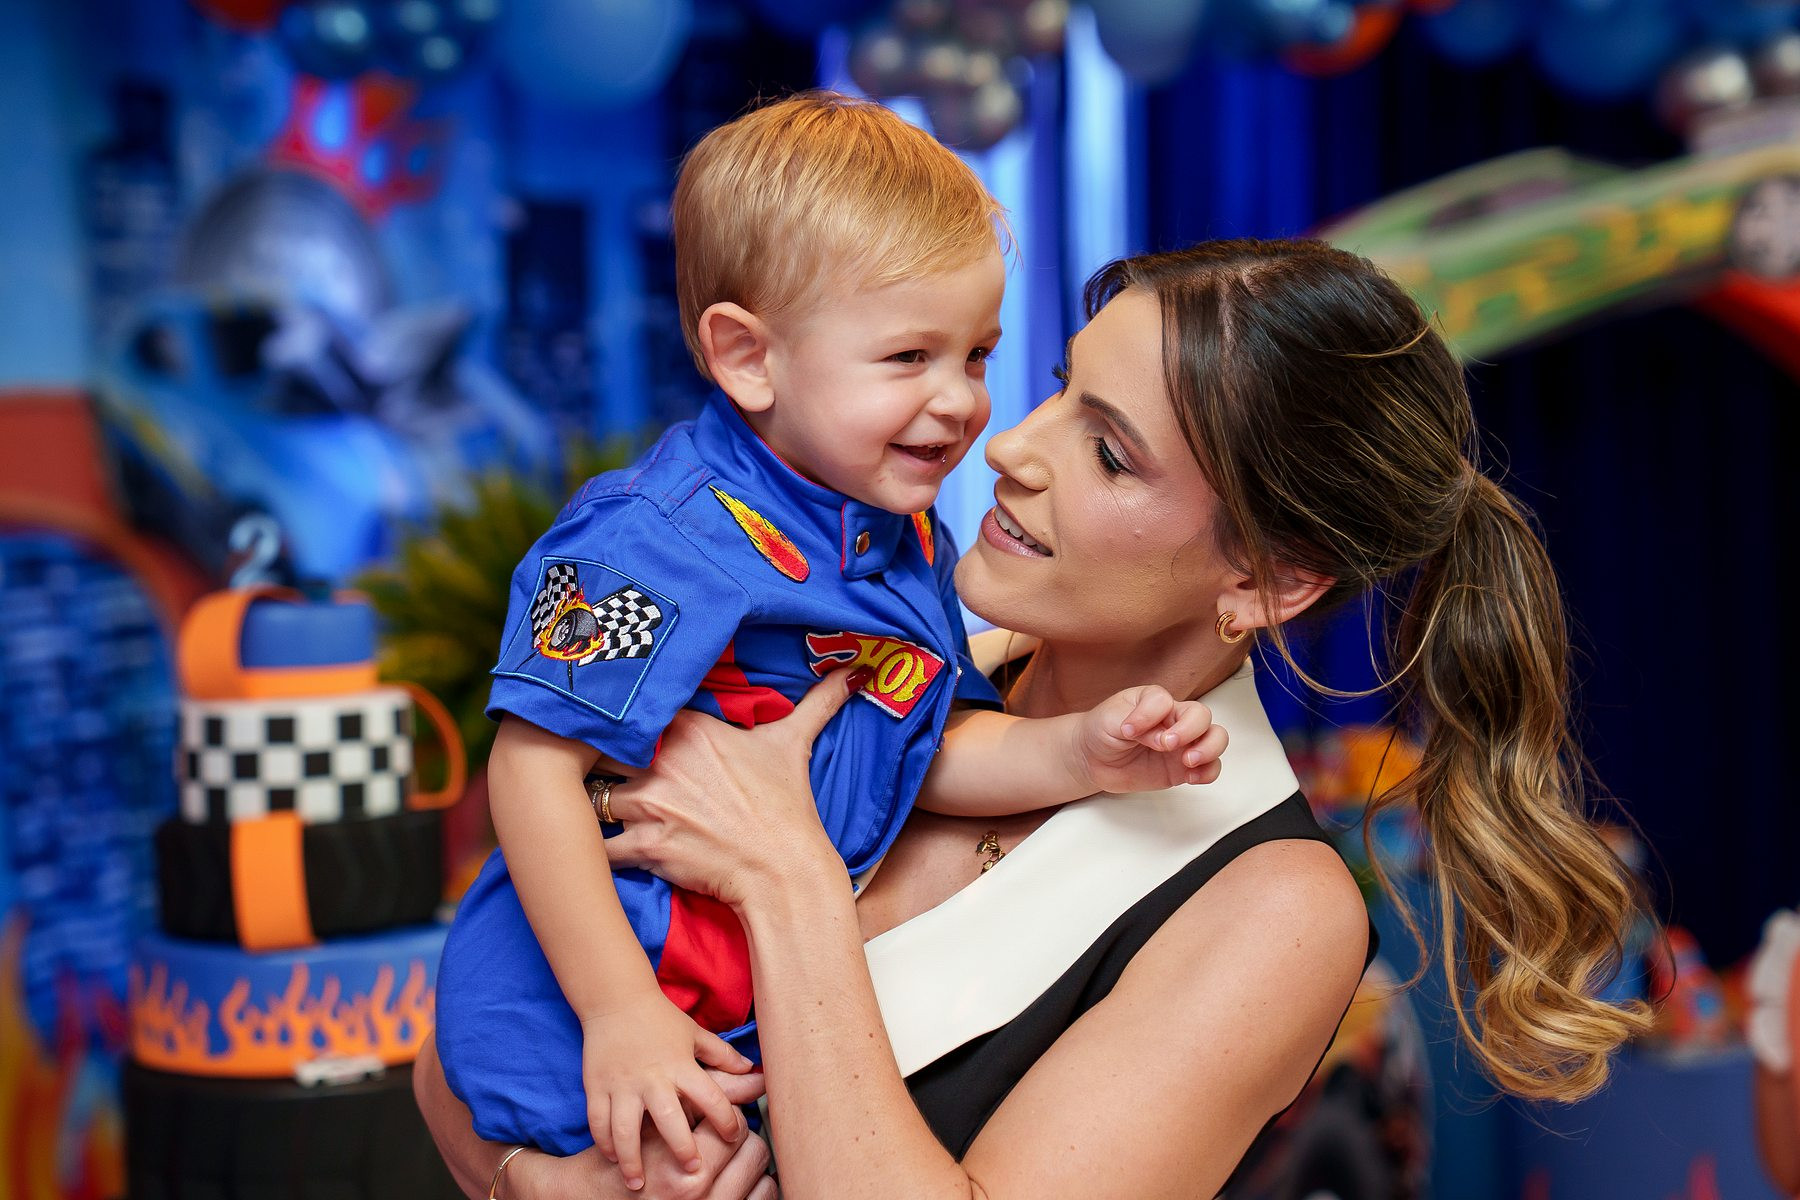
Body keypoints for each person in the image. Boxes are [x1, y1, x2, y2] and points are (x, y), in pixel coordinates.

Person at [418, 238, 1651, 1199]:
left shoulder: (1271, 906)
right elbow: (464, 1030)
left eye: (1110, 453)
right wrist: (533, 1180)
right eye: (1060, 388)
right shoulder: (881, 654)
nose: (1009, 446)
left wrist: (788, 882)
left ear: (1268, 580)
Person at [434, 91, 1224, 1191]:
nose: (962, 405)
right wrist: (618, 1013)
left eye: (977, 355)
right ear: (748, 359)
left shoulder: (900, 540)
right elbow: (530, 767)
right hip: (582, 1003)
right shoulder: (651, 540)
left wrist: (1081, 754)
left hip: (727, 1004)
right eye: (907, 357)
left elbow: (919, 746)